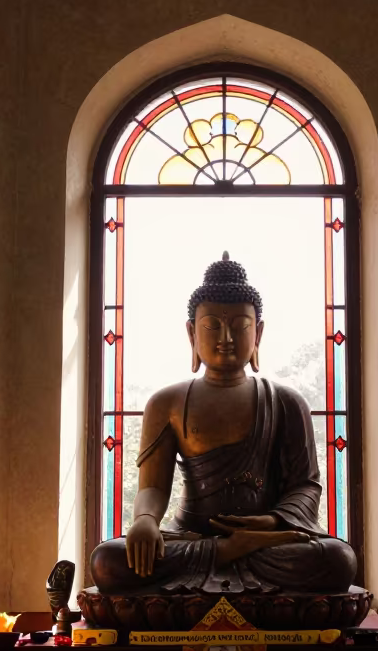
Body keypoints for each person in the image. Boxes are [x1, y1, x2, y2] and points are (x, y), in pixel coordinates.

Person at [90, 254, 357, 596]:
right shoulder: (167, 403)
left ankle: (241, 548)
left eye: (240, 325)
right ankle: (230, 550)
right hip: (191, 536)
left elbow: (306, 486)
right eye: (212, 325)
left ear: (258, 332)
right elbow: (153, 487)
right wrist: (145, 521)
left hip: (268, 544)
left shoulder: (286, 402)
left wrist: (272, 521)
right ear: (192, 333)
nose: (226, 337)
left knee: (338, 559)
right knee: (107, 561)